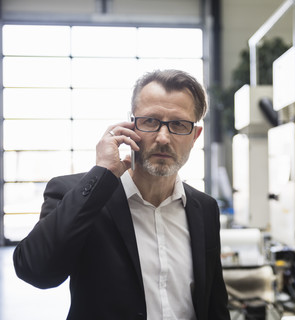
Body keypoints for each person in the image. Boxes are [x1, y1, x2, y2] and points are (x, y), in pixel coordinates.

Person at [13, 69, 231, 320]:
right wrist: (102, 174)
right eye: (150, 121)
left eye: (179, 125)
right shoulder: (77, 194)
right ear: (130, 126)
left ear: (195, 136)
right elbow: (35, 271)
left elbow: (215, 304)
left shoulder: (204, 208)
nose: (163, 137)